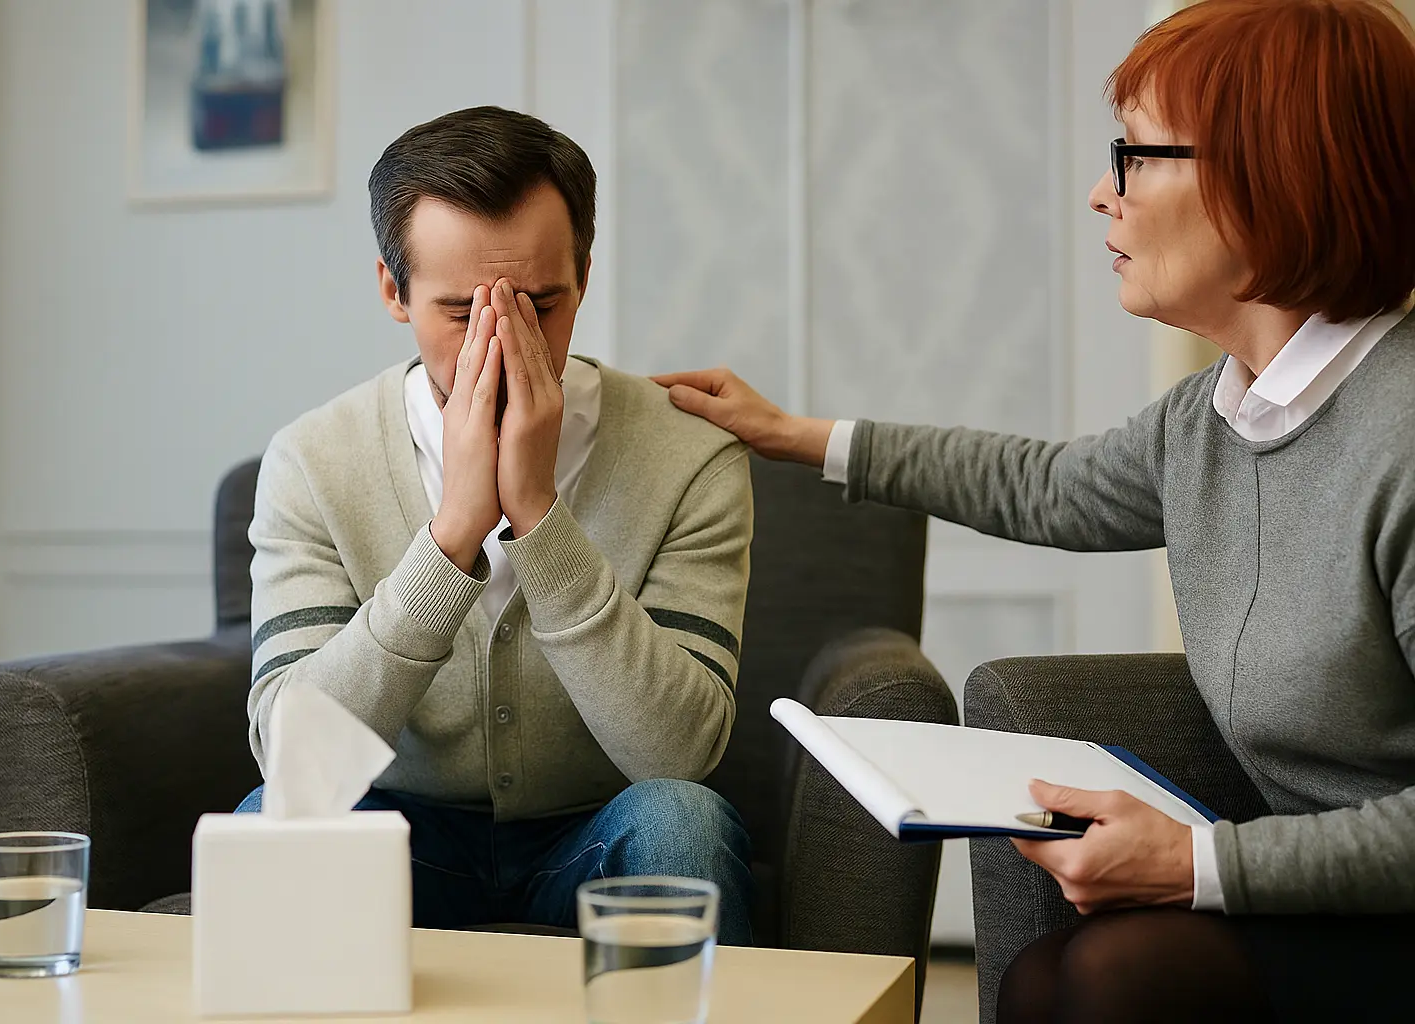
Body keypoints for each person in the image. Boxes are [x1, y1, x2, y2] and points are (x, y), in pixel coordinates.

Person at [654, 0, 1415, 1016]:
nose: (1103, 193)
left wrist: (1202, 864)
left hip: (1378, 903)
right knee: (1043, 975)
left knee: (1111, 979)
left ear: (1268, 173)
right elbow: (1041, 486)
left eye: (1136, 157)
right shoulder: (1214, 417)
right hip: (1321, 896)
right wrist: (798, 436)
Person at [241, 106, 755, 943]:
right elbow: (297, 765)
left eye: (539, 305)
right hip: (398, 837)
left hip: (591, 835)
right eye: (459, 312)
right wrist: (450, 540)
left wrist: (539, 518)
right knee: (277, 818)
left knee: (681, 819)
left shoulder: (689, 455)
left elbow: (678, 755)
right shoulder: (311, 459)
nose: (503, 342)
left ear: (584, 275)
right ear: (391, 289)